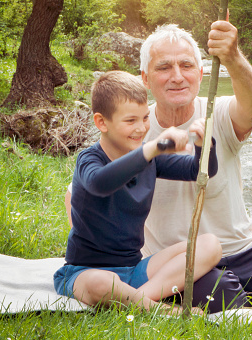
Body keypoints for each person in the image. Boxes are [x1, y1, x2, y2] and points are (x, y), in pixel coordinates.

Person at [66, 20, 252, 312]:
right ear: (145, 78)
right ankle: (157, 303)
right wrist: (95, 259)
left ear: (201, 74)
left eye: (186, 66)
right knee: (229, 304)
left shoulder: (218, 111)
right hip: (178, 262)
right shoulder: (132, 128)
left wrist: (233, 57)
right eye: (164, 68)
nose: (177, 77)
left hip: (245, 249)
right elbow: (79, 191)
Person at [54, 70, 221, 314]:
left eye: (144, 118)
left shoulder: (149, 158)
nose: (141, 128)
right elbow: (100, 183)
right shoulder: (89, 160)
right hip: (84, 272)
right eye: (130, 121)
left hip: (134, 271)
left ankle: (137, 299)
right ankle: (162, 311)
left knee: (211, 244)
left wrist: (205, 146)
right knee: (102, 283)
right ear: (102, 122)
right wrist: (154, 148)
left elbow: (199, 172)